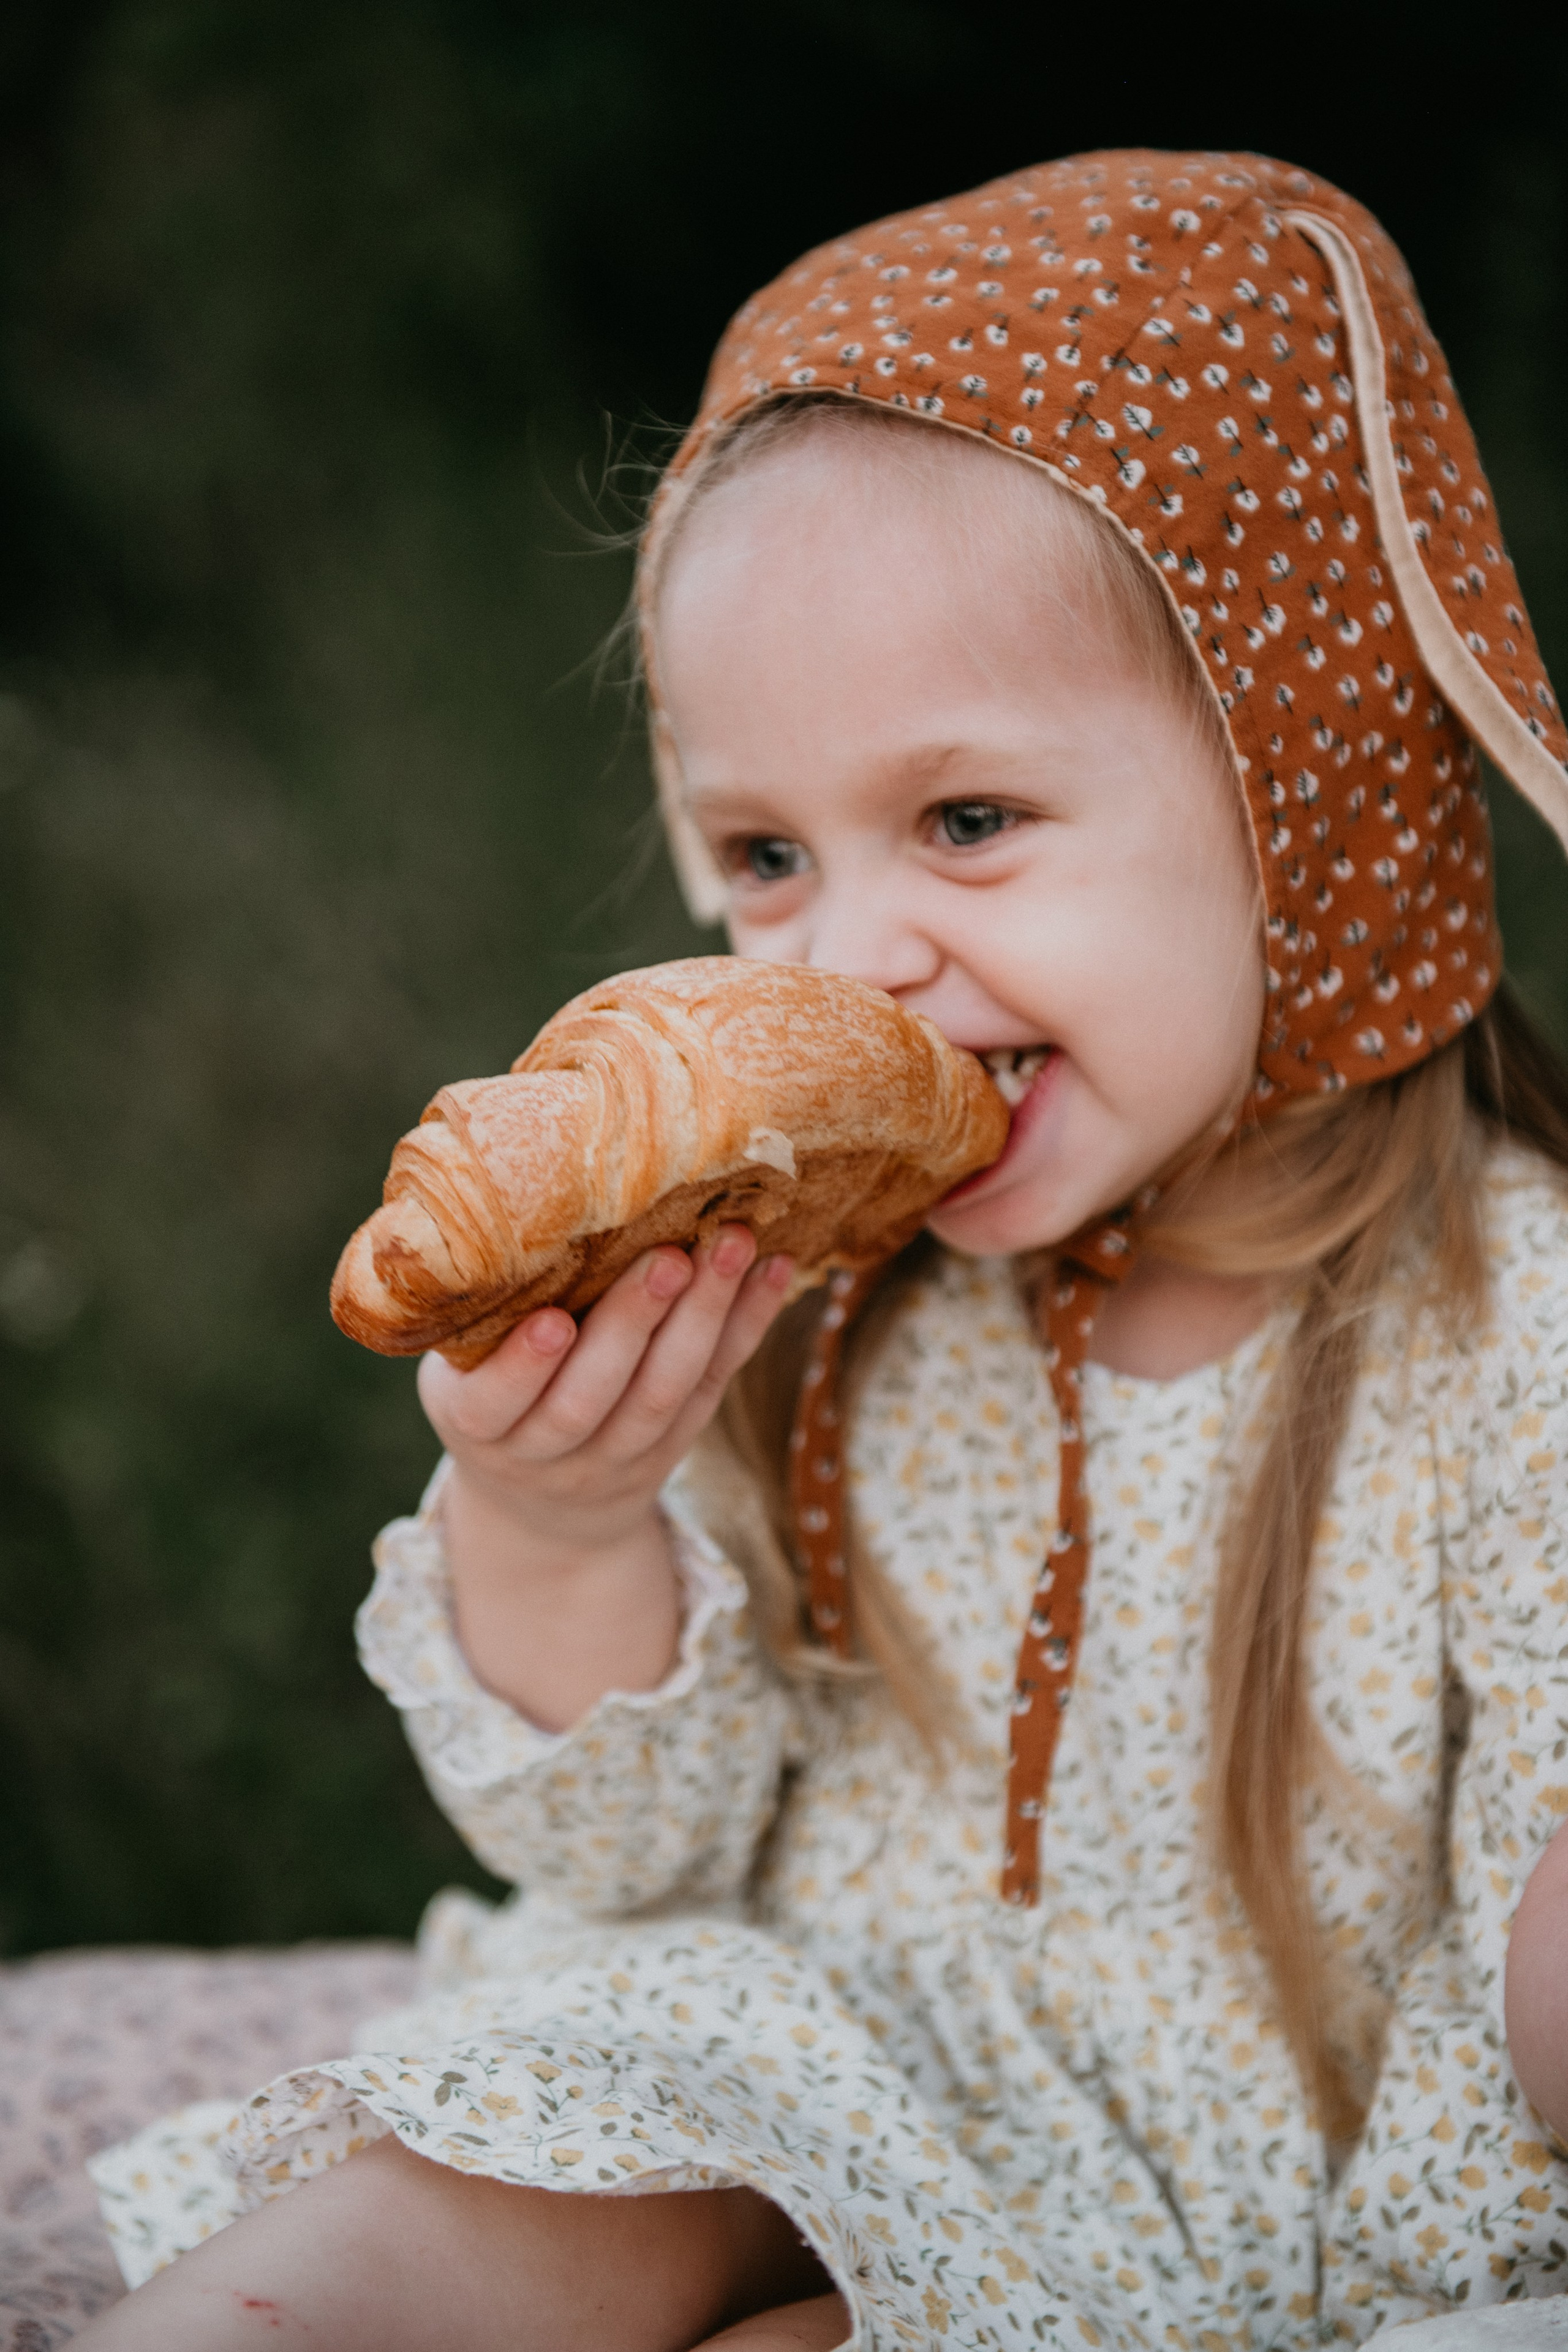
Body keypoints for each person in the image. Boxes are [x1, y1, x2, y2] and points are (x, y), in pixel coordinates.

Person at [81, 148, 1568, 2351]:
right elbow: (638, 1852)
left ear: (1308, 791)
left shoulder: (1511, 1333)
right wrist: (558, 1509)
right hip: (797, 2071)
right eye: (765, 854)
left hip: (1252, 2200)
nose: (853, 953)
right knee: (490, 2169)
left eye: (967, 821)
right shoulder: (805, 1283)